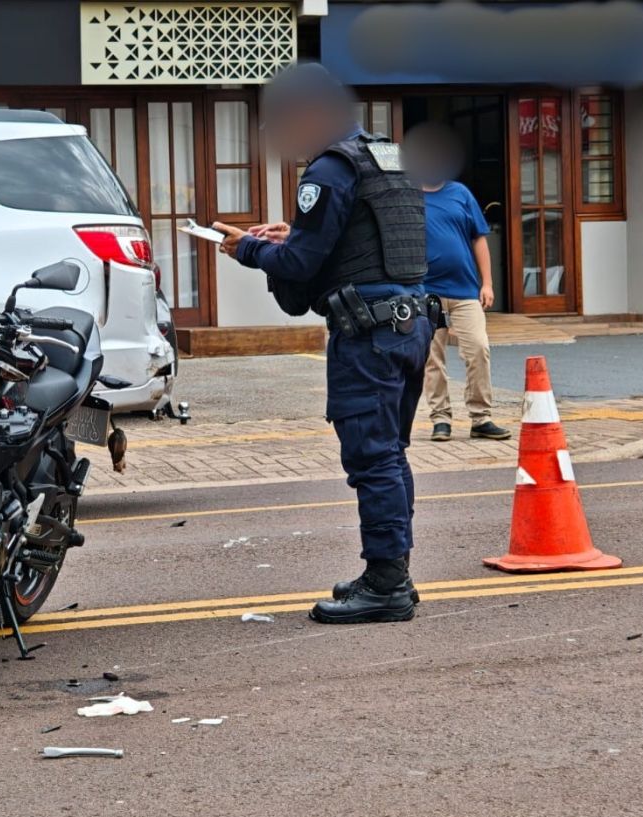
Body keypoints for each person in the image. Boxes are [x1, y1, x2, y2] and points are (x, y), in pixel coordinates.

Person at [213, 63, 435, 624]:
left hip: (369, 334)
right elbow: (370, 241)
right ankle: (393, 574)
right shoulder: (387, 154)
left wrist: (246, 249)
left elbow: (301, 265)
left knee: (372, 456)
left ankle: (386, 585)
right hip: (410, 327)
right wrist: (295, 233)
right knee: (390, 454)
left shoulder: (330, 168)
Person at [402, 123, 511, 443]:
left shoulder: (460, 194)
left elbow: (479, 239)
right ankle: (440, 420)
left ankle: (481, 418)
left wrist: (487, 284)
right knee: (431, 359)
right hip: (425, 292)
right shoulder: (407, 197)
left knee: (478, 348)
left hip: (464, 290)